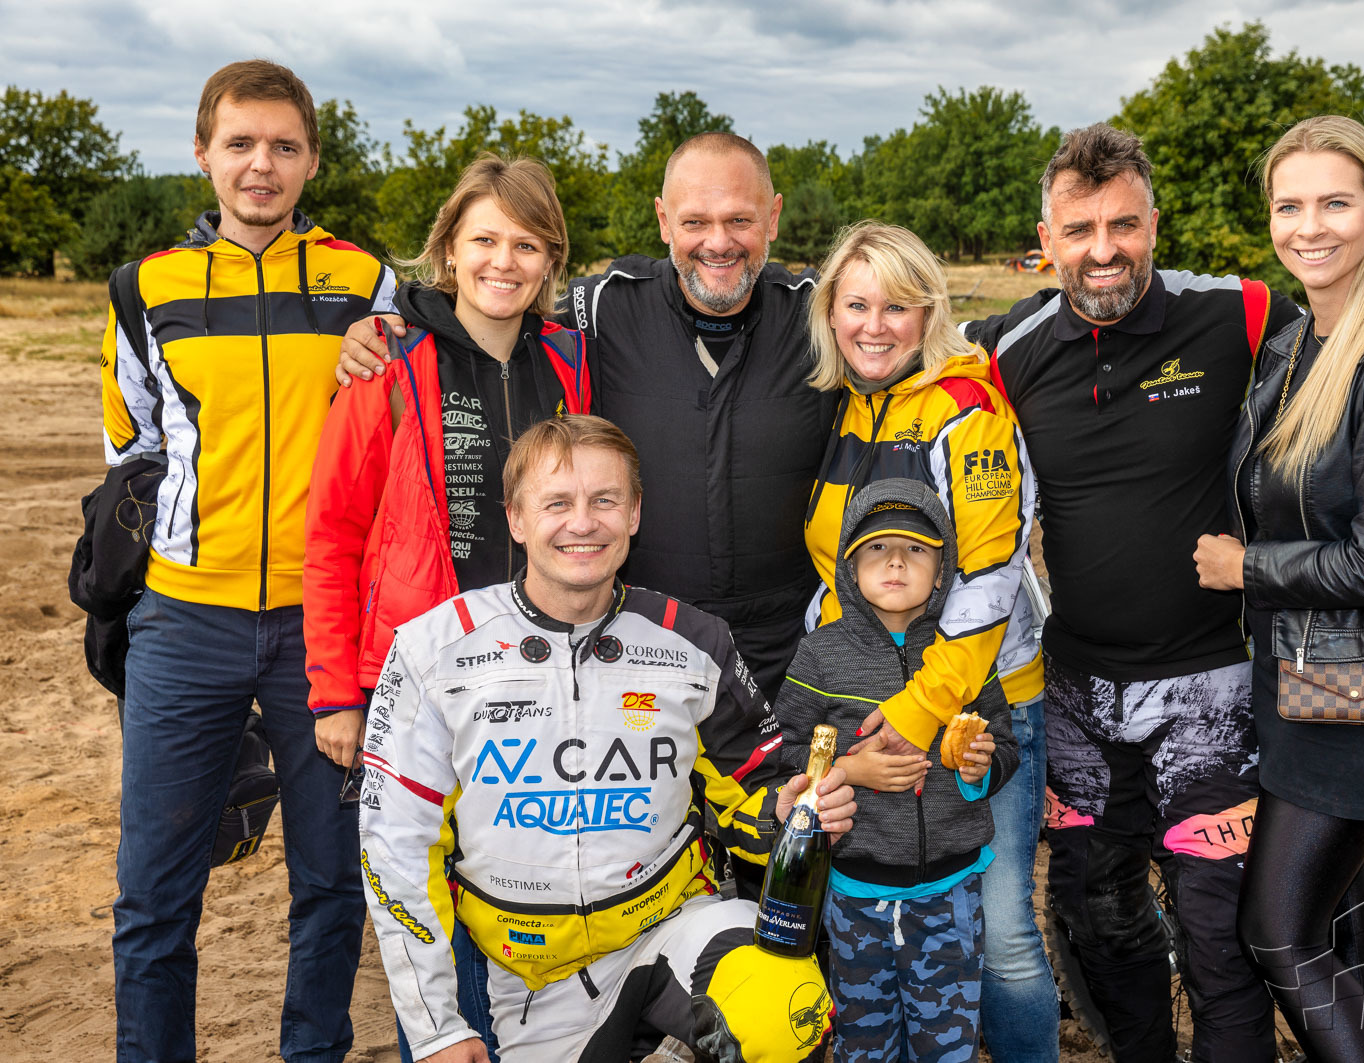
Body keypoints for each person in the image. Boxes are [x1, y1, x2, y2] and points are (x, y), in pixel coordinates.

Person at [357, 415, 857, 1063]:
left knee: (784, 1010)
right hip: (535, 984)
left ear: (634, 514)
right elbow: (395, 846)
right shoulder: (431, 651)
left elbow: (756, 789)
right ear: (515, 518)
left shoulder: (694, 640)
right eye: (556, 503)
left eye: (604, 500)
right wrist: (436, 1029)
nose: (582, 522)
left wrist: (786, 814)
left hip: (676, 931)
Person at [960, 123, 1302, 1063]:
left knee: (1220, 936)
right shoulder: (1006, 349)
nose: (1102, 249)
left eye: (1122, 224)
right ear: (1046, 238)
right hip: (1077, 698)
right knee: (1095, 918)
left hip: (1214, 691)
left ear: (1154, 223)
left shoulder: (1239, 312)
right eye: (1079, 230)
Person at [99, 60, 396, 1063]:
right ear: (202, 153)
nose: (260, 164)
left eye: (283, 146)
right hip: (183, 624)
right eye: (239, 143)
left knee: (332, 882)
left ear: (312, 161)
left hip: (328, 629)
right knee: (154, 893)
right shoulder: (144, 287)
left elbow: (395, 433)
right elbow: (133, 448)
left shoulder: (366, 282)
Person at [338, 132, 835, 701]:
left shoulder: (821, 315)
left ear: (773, 217)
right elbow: (499, 300)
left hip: (787, 650)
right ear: (663, 220)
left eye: (739, 220)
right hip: (636, 642)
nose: (718, 242)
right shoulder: (599, 307)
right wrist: (391, 322)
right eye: (695, 222)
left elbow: (892, 343)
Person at [301, 152, 589, 1061]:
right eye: (484, 240)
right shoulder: (387, 362)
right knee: (425, 903)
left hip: (540, 677)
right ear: (449, 250)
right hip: (419, 682)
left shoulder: (570, 363)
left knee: (525, 890)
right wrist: (337, 693)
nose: (504, 261)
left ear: (550, 260)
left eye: (527, 244)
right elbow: (332, 534)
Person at [1194, 115, 1364, 1062]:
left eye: (1334, 203)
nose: (1308, 226)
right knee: (1345, 931)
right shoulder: (1295, 341)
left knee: (1276, 932)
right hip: (1305, 675)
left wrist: (1243, 568)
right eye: (1289, 205)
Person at [801, 221, 1056, 1059]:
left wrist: (920, 711)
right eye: (856, 305)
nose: (874, 326)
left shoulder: (964, 406)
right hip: (871, 708)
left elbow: (989, 579)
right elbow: (839, 571)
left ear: (929, 312)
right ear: (830, 314)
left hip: (975, 709)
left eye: (896, 307)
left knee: (1002, 935)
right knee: (879, 922)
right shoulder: (850, 404)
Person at [777, 479, 1017, 1062]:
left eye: (915, 550)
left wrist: (978, 771)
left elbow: (1007, 745)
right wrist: (851, 770)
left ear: (942, 571)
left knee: (948, 1044)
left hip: (951, 894)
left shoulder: (962, 658)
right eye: (877, 549)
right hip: (854, 894)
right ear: (849, 567)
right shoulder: (821, 653)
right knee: (864, 1042)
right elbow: (788, 752)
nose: (895, 563)